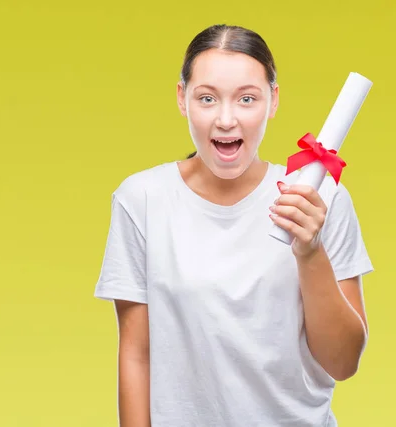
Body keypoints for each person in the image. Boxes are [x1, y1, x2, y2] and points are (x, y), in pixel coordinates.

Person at [94, 23, 373, 427]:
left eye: (247, 99)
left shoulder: (320, 201)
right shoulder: (142, 200)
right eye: (207, 98)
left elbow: (344, 362)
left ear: (273, 101)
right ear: (182, 98)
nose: (226, 120)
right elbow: (137, 355)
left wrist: (310, 252)